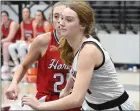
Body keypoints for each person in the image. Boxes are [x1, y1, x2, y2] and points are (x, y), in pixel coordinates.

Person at [21, 1, 136, 110]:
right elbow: (76, 70)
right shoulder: (71, 43)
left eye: (68, 20)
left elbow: (76, 99)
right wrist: (66, 88)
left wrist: (40, 106)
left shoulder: (88, 51)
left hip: (114, 107)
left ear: (82, 25)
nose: (61, 23)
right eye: (61, 18)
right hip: (93, 105)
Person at [6, 2, 80, 111]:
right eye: (56, 16)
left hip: (71, 100)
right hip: (46, 99)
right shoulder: (42, 41)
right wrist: (14, 83)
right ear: (51, 19)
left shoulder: (81, 42)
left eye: (64, 17)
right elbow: (24, 65)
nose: (60, 20)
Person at [8, 7, 34, 73]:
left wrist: (30, 40)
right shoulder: (22, 23)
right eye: (24, 12)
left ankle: (25, 65)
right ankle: (17, 65)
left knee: (22, 46)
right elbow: (22, 37)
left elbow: (35, 36)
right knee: (11, 46)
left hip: (33, 41)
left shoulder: (33, 22)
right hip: (26, 41)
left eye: (27, 12)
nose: (25, 14)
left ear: (30, 13)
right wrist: (19, 42)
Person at [1, 11, 21, 80]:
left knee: (5, 44)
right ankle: (5, 65)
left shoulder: (13, 24)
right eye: (1, 16)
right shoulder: (1, 25)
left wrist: (1, 41)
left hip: (18, 42)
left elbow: (10, 37)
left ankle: (6, 64)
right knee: (4, 44)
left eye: (4, 16)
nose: (3, 17)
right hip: (10, 43)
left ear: (8, 16)